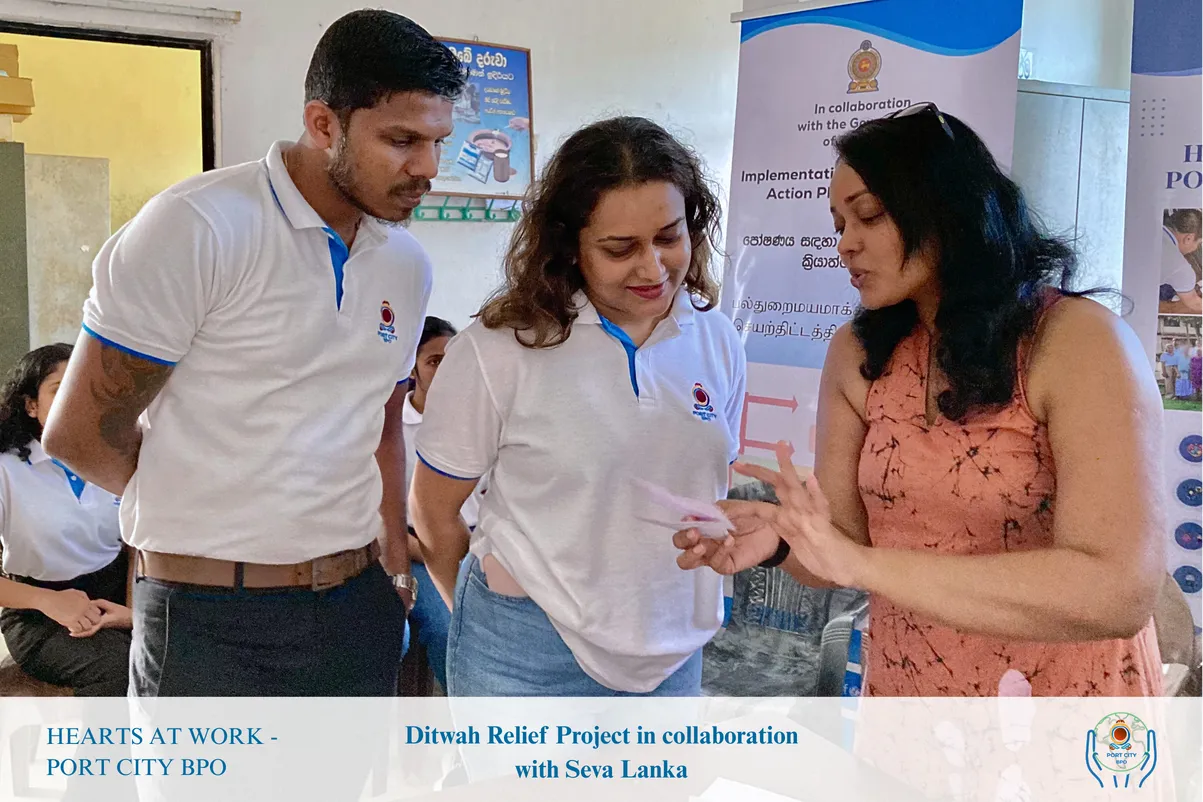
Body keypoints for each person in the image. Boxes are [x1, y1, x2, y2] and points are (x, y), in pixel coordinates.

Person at [42, 10, 464, 697]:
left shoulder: (404, 262)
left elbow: (382, 420)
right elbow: (79, 433)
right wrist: (211, 503)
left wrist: (392, 557)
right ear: (323, 123)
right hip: (208, 616)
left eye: (438, 142)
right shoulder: (199, 226)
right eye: (401, 140)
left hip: (354, 605)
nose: (427, 168)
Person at [676, 104, 1165, 696]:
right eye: (838, 225)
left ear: (946, 208)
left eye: (868, 216)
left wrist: (861, 564)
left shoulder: (1075, 342)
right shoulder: (857, 352)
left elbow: (1117, 592)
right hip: (909, 692)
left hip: (1057, 702)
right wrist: (780, 541)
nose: (845, 244)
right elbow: (844, 546)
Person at [411, 116, 746, 696]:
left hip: (672, 652)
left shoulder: (716, 339)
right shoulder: (500, 350)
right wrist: (483, 619)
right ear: (569, 248)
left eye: (669, 237)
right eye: (620, 249)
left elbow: (708, 485)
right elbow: (434, 512)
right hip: (524, 654)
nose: (653, 267)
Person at [0, 344, 131, 696]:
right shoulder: (6, 469)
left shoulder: (118, 456)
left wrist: (134, 610)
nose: (77, 398)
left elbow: (140, 545)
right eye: (60, 389)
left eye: (85, 386)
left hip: (118, 599)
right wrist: (48, 601)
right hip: (38, 614)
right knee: (117, 666)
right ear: (31, 405)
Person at [402, 315, 485, 691]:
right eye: (434, 361)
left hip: (480, 548)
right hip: (418, 551)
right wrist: (433, 552)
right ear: (413, 369)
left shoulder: (480, 420)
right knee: (448, 626)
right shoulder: (392, 428)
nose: (446, 371)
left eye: (453, 360)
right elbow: (384, 515)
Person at [1160, 209, 1202, 314]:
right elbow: (1195, 303)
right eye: (1198, 244)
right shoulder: (1180, 267)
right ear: (1188, 238)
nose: (1195, 248)